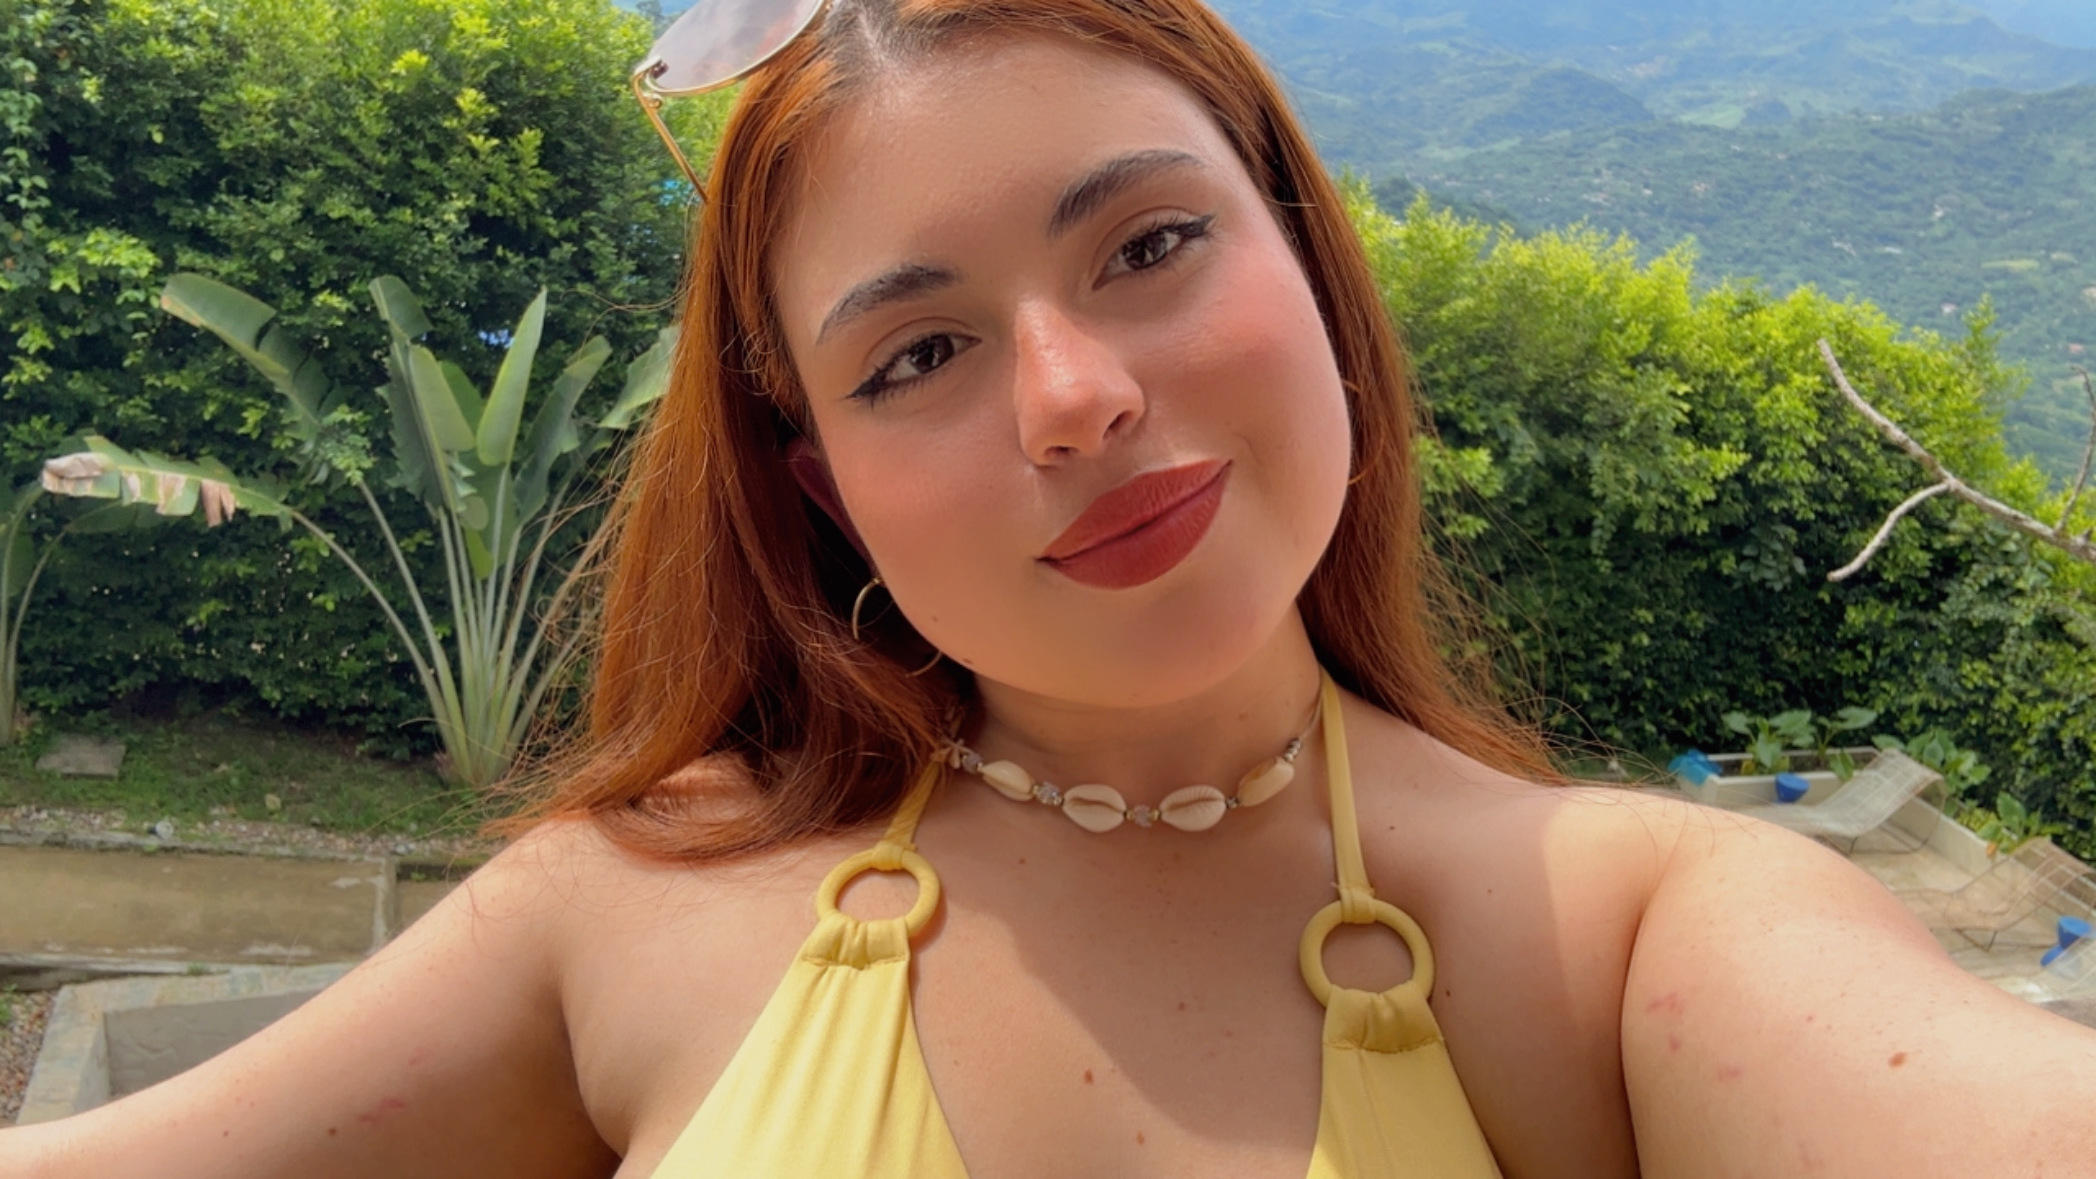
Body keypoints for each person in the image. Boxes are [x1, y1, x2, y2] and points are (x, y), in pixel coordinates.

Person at [7, 0, 2095, 1174]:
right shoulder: (615, 915)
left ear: (1307, 260)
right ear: (823, 487)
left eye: (1151, 246)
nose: (1076, 396)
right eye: (917, 353)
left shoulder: (1634, 940)